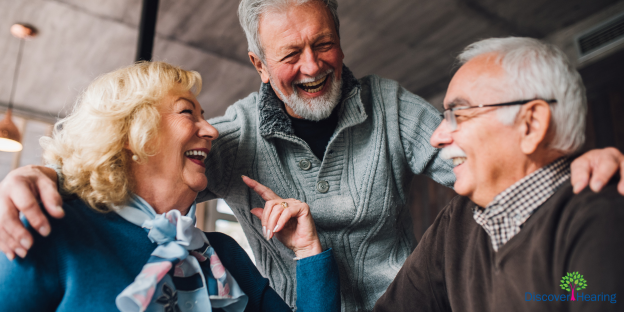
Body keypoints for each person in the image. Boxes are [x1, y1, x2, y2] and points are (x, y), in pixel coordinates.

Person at [1, 1, 624, 311]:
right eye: (290, 53)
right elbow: (140, 163)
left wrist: (577, 164)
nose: (312, 66)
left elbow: (570, 279)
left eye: (324, 44)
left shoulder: (401, 116)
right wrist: (43, 177)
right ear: (258, 66)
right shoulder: (229, 137)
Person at [0, 61, 340, 312]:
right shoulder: (50, 229)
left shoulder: (221, 255)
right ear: (134, 135)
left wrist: (308, 249)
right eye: (187, 113)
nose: (211, 130)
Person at [373, 37, 624, 312]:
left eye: (457, 113)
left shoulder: (602, 219)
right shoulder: (457, 222)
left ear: (531, 125)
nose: (436, 137)